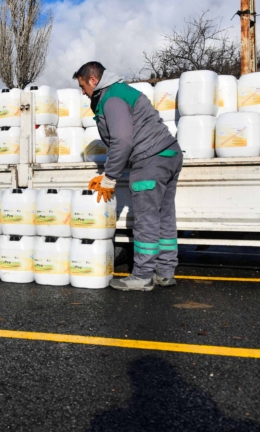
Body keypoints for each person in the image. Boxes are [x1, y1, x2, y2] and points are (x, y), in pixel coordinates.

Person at [73, 62, 183, 291]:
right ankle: (165, 272)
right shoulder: (122, 91)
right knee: (164, 216)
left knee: (146, 219)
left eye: (83, 86)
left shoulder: (111, 98)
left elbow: (122, 140)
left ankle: (142, 277)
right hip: (169, 154)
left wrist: (109, 177)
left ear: (93, 80)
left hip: (150, 160)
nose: (83, 93)